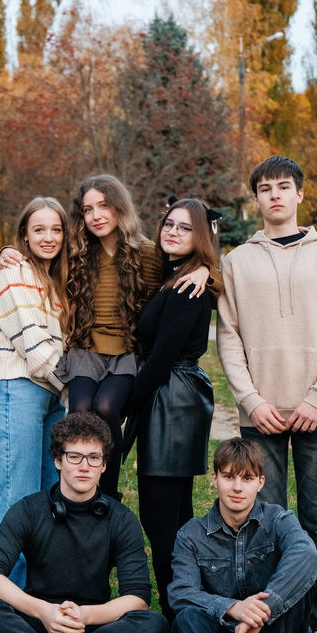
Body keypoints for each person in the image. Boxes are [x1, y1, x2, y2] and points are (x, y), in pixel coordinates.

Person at [213, 154, 317, 633]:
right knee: (264, 523)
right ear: (257, 199)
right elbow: (229, 339)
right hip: (262, 416)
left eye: (284, 187)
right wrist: (251, 401)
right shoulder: (236, 262)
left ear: (299, 194)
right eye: (265, 188)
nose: (275, 195)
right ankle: (274, 624)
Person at [0, 412, 168, 633]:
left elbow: (137, 596)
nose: (84, 466)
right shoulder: (28, 510)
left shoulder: (121, 520)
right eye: (74, 456)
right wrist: (44, 612)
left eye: (93, 458)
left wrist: (85, 616)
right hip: (36, 621)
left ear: (104, 465)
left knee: (154, 627)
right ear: (58, 461)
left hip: (92, 626)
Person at [166, 436, 317, 633]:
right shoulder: (191, 534)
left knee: (297, 584)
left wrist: (262, 610)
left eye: (246, 478)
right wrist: (234, 608)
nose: (237, 487)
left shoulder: (279, 520)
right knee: (185, 619)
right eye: (228, 477)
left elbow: (307, 555)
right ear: (215, 479)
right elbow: (181, 593)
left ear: (260, 482)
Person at [120, 198, 223, 609]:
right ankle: (190, 606)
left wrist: (125, 405)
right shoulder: (180, 274)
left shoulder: (187, 286)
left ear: (199, 235)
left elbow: (161, 358)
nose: (173, 232)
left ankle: (179, 611)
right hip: (174, 396)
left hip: (173, 399)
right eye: (169, 224)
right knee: (175, 516)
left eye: (185, 228)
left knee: (162, 517)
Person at [0, 195, 72, 571]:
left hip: (52, 394)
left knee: (50, 496)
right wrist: (74, 393)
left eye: (56, 229)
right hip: (17, 389)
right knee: (15, 497)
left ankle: (38, 590)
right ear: (24, 234)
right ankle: (5, 598)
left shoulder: (57, 279)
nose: (48, 237)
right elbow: (34, 347)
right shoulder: (12, 275)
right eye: (39, 230)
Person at [56, 175, 163, 489]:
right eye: (88, 210)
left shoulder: (147, 253)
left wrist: (201, 270)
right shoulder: (76, 253)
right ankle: (78, 487)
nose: (96, 216)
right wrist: (4, 253)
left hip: (125, 352)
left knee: (105, 408)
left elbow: (197, 271)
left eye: (103, 205)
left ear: (120, 207)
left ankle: (107, 491)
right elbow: (34, 250)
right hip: (85, 348)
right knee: (79, 411)